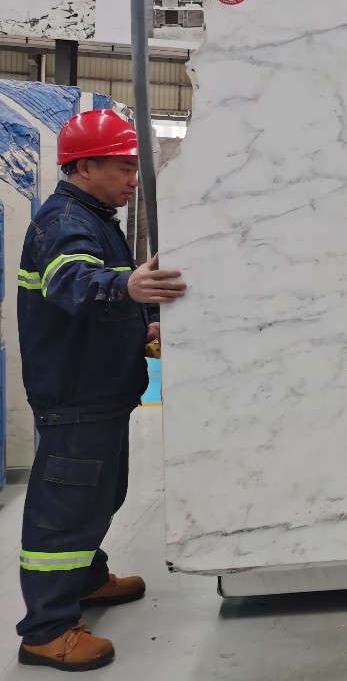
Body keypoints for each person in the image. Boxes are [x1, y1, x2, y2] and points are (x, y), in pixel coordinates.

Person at [15, 109, 186, 672]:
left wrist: (143, 326)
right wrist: (128, 286)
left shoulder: (95, 217)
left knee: (97, 498)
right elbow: (73, 282)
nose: (134, 179)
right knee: (64, 512)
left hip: (99, 391)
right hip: (75, 396)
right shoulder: (64, 221)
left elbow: (100, 296)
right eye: (123, 168)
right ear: (84, 166)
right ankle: (46, 630)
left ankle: (85, 579)